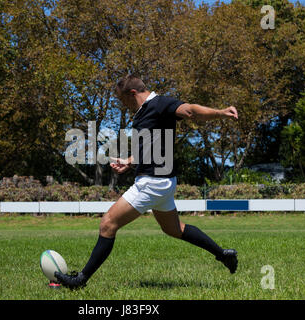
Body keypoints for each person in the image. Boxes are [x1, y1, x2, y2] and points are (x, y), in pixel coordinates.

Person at [55, 75, 239, 289]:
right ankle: (223, 254)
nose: (123, 106)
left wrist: (220, 113)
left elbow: (190, 110)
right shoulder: (144, 114)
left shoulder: (159, 104)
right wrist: (129, 162)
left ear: (132, 93)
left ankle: (80, 280)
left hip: (152, 182)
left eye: (122, 100)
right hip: (162, 182)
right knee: (174, 230)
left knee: (108, 224)